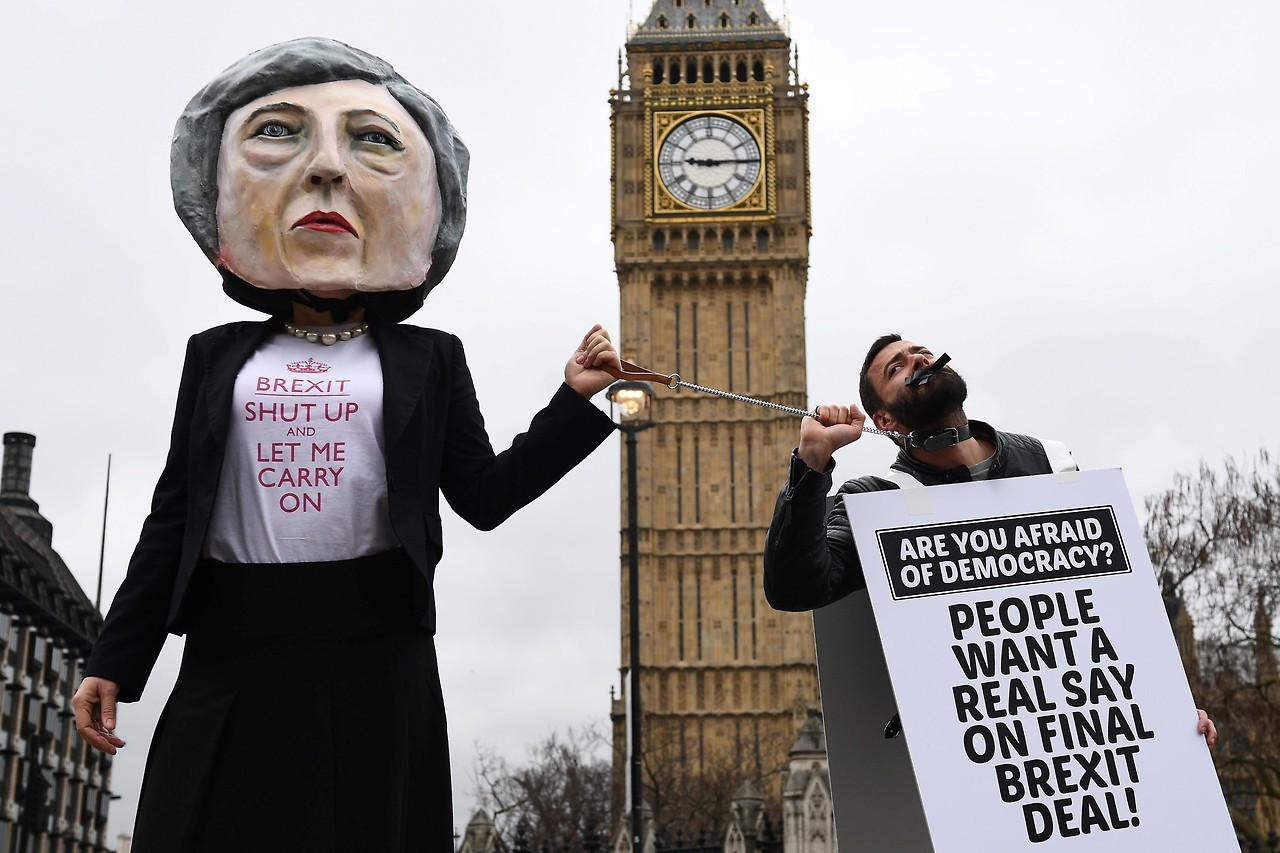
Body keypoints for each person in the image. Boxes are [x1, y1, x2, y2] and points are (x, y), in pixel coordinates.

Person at [70, 38, 621, 852]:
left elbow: (486, 494)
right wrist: (114, 656)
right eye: (280, 135)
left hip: (375, 652)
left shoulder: (429, 358)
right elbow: (174, 516)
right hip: (233, 649)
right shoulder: (217, 354)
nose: (327, 172)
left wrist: (572, 401)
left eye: (372, 141)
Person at [763, 333, 1218, 747]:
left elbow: (1113, 610)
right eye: (895, 368)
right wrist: (811, 464)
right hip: (976, 755)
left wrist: (1170, 704)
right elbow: (794, 586)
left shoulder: (1050, 463)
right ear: (884, 419)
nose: (916, 359)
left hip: (1085, 734)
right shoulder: (877, 504)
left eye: (918, 350)